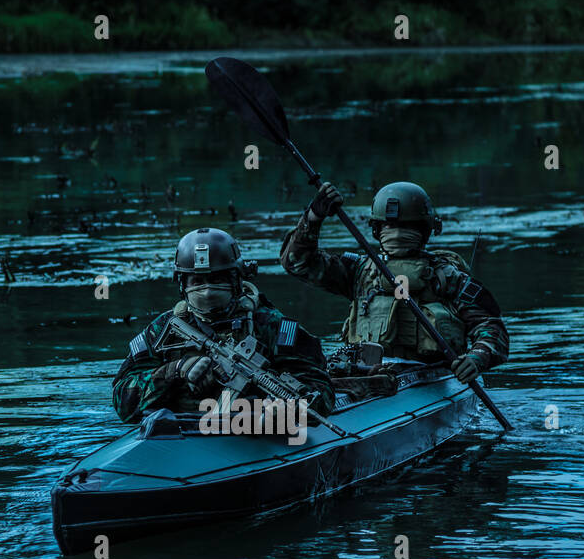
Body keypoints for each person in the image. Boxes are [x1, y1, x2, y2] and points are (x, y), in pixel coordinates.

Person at [279, 181, 508, 382]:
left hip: (430, 379)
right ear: (428, 228)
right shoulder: (360, 271)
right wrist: (313, 217)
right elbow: (297, 263)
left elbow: (491, 327)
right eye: (390, 227)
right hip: (366, 376)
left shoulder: (446, 277)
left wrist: (475, 358)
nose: (397, 233)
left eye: (406, 228)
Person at [112, 227, 335, 424]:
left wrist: (287, 412)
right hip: (178, 436)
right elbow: (123, 402)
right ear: (182, 284)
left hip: (256, 437)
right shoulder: (162, 330)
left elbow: (321, 392)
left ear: (236, 280)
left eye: (218, 279)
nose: (207, 290)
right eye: (197, 281)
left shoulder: (273, 327)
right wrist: (173, 371)